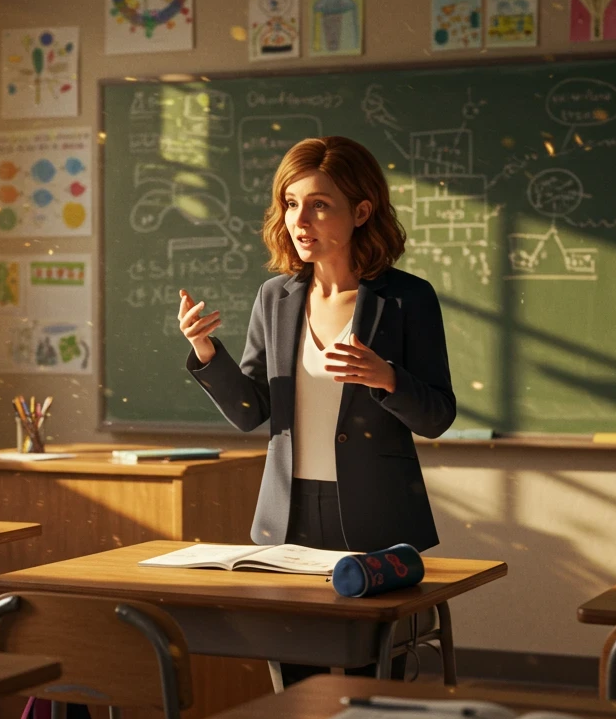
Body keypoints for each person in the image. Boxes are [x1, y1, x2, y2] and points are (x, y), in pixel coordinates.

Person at [177, 136, 456, 682]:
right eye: (290, 202)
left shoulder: (406, 299)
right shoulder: (274, 298)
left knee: (374, 685)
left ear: (362, 211)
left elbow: (437, 416)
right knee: (293, 685)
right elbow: (250, 411)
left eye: (319, 204)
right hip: (288, 518)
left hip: (376, 520)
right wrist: (206, 352)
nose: (299, 219)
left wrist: (387, 378)